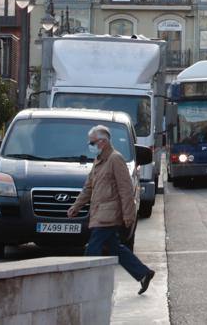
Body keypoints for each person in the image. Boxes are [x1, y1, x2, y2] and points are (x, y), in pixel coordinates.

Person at [68, 125, 155, 294]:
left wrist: (129, 215)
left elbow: (125, 189)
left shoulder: (116, 159)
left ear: (103, 141)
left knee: (93, 248)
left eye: (92, 142)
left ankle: (86, 285)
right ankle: (143, 273)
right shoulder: (99, 160)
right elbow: (88, 187)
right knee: (115, 248)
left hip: (109, 215)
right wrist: (76, 206)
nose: (90, 145)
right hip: (99, 212)